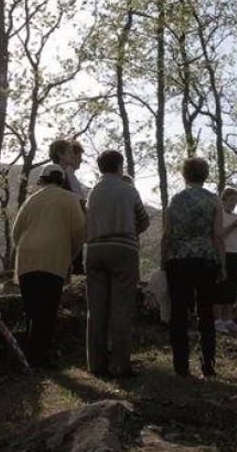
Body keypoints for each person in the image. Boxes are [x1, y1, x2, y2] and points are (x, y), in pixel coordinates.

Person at [11, 162, 85, 369]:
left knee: (31, 310)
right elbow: (80, 231)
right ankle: (40, 358)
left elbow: (16, 232)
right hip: (54, 259)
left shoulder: (31, 200)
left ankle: (29, 356)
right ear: (61, 180)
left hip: (27, 260)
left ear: (42, 180)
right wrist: (71, 254)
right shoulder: (69, 199)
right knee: (47, 311)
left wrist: (26, 249)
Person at [84, 150, 151, 379]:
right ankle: (120, 365)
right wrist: (132, 230)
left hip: (94, 250)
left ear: (100, 167)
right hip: (123, 250)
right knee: (121, 308)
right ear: (120, 165)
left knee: (96, 309)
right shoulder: (128, 190)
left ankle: (96, 364)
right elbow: (144, 220)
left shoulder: (93, 192)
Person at [161, 156, 225, 378]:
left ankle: (181, 366)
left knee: (178, 312)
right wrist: (222, 263)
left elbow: (167, 235)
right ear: (205, 175)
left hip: (178, 261)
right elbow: (218, 235)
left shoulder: (175, 200)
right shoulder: (214, 201)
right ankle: (208, 364)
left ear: (184, 175)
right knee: (206, 312)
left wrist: (163, 263)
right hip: (206, 260)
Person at [214, 188, 237, 334]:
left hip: (236, 253)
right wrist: (236, 224)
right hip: (222, 253)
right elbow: (219, 235)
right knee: (220, 287)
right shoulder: (219, 215)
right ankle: (217, 321)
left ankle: (228, 320)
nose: (234, 203)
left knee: (232, 287)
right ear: (224, 199)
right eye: (232, 200)